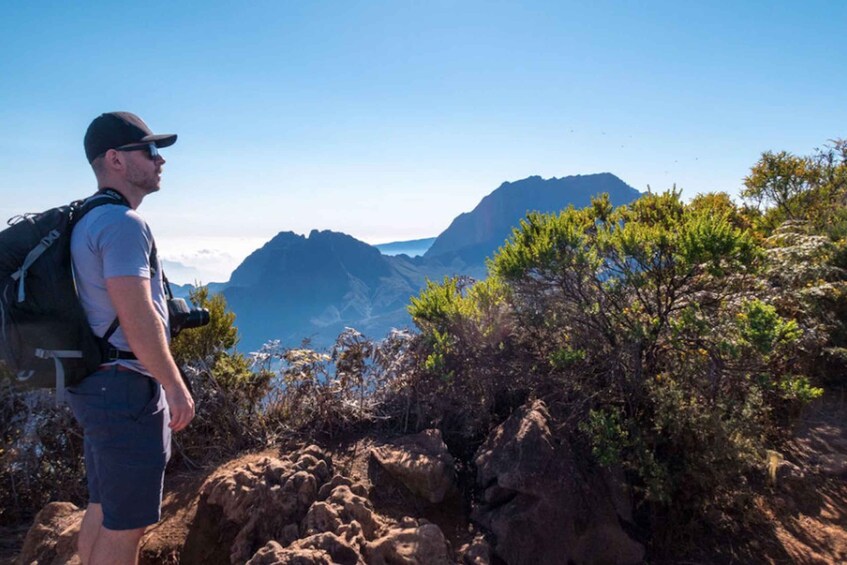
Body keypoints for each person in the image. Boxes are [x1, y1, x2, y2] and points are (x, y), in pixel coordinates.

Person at [67, 112, 195, 565]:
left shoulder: (89, 218)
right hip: (124, 388)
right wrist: (174, 385)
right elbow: (137, 316)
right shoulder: (123, 224)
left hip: (97, 384)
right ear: (116, 159)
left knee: (104, 508)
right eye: (151, 150)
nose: (161, 161)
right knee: (127, 528)